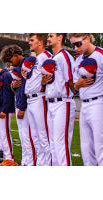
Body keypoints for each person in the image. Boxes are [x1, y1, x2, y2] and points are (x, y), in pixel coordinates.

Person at [42, 33, 76, 166]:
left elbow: (71, 80)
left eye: (51, 35)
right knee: (53, 144)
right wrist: (43, 82)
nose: (48, 38)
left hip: (63, 102)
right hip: (50, 102)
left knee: (61, 144)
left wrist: (76, 90)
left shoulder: (65, 56)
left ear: (60, 37)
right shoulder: (52, 58)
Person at [69, 33, 103, 165]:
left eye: (78, 43)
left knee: (100, 147)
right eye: (73, 45)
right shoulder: (78, 60)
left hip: (99, 102)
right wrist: (77, 85)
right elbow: (74, 87)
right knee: (86, 148)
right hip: (84, 105)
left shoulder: (100, 54)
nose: (76, 48)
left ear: (87, 38)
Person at [0, 45, 35, 166]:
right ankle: (26, 161)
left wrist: (22, 107)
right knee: (23, 135)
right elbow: (18, 87)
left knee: (27, 136)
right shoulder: (19, 66)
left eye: (11, 59)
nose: (11, 63)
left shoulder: (26, 64)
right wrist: (13, 86)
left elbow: (27, 87)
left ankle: (30, 162)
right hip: (20, 101)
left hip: (26, 104)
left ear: (16, 55)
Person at [23, 33, 52, 166]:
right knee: (35, 136)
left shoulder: (47, 57)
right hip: (30, 99)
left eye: (32, 40)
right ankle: (40, 164)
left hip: (40, 99)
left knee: (43, 135)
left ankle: (47, 165)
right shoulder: (35, 59)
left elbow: (50, 78)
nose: (29, 42)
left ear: (40, 42)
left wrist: (44, 85)